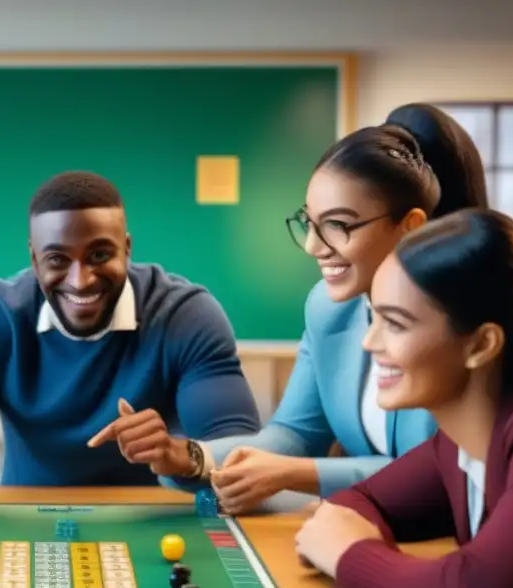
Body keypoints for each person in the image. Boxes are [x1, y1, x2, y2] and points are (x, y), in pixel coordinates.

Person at [130, 104, 488, 513]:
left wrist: (297, 474)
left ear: (411, 226)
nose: (313, 247)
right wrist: (193, 458)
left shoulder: (462, 328)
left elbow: (438, 473)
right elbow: (294, 436)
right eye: (310, 222)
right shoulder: (328, 308)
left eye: (338, 225)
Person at [0, 170, 261, 506]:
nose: (80, 280)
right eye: (57, 260)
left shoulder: (186, 316)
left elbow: (241, 447)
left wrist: (181, 453)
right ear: (34, 260)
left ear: (127, 250)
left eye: (99, 254)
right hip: (27, 516)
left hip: (159, 519)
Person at [296, 208, 513, 588]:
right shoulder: (456, 443)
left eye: (397, 323)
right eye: (375, 318)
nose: (370, 343)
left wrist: (352, 556)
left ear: (481, 344)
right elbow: (362, 502)